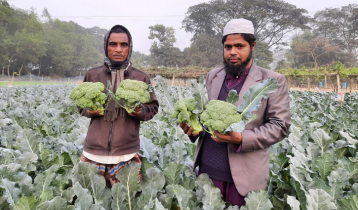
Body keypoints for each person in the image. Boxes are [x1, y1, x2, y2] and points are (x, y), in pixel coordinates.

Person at [180, 18, 291, 207]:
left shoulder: (273, 80)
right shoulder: (213, 76)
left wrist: (241, 138)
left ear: (253, 46)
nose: (232, 52)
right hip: (207, 170)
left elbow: (280, 126)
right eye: (228, 46)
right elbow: (206, 115)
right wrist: (193, 128)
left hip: (243, 177)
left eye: (239, 46)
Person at [78, 25, 159, 187]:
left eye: (124, 45)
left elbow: (153, 107)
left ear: (130, 48)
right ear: (105, 46)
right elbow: (80, 104)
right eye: (113, 44)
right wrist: (90, 110)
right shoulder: (92, 74)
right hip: (93, 152)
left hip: (127, 155)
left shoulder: (141, 77)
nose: (118, 49)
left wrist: (140, 111)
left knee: (127, 200)